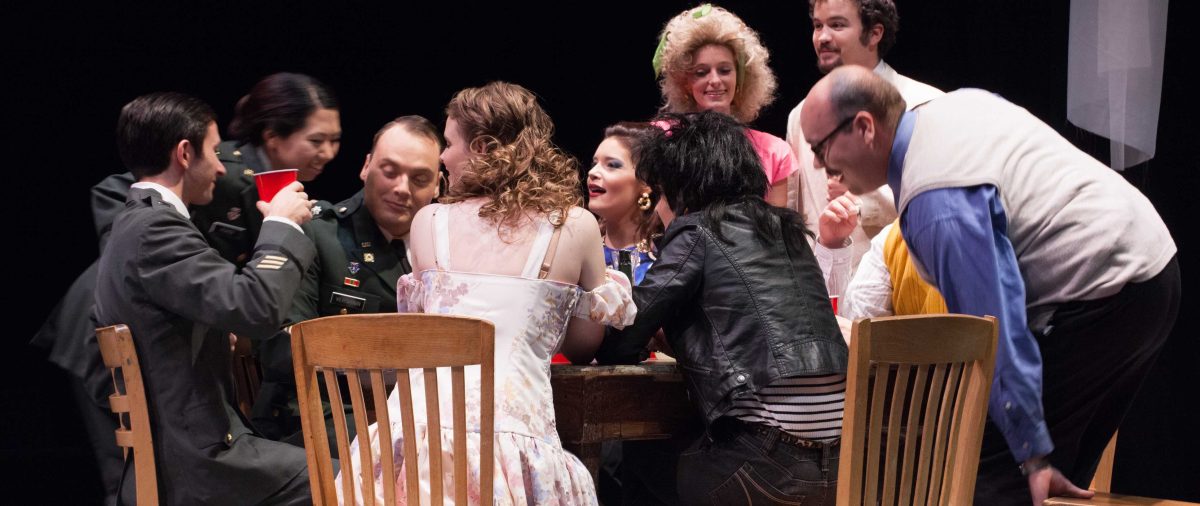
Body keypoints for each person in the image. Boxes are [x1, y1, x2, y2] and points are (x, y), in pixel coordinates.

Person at [800, 66, 1179, 506]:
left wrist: (1030, 455)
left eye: (820, 147)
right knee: (1053, 481)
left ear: (864, 127)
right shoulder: (951, 109)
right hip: (1151, 270)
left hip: (1107, 289)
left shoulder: (935, 198)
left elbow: (994, 326)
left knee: (982, 474)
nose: (818, 164)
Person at [342, 81, 636, 505]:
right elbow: (581, 347)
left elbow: (424, 337)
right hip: (514, 452)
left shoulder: (430, 222)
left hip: (413, 446)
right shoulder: (574, 225)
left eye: (448, 143)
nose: (443, 156)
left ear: (480, 147)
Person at [596, 111, 846, 505]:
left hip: (771, 464)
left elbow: (622, 342)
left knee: (648, 459)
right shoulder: (788, 230)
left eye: (660, 194)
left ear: (680, 189)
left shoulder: (697, 230)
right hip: (841, 464)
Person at [93, 92, 318, 505]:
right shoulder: (154, 229)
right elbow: (256, 309)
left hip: (188, 450)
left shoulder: (134, 222)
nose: (220, 166)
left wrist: (212, 333)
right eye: (213, 152)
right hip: (200, 464)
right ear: (184, 153)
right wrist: (283, 223)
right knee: (357, 475)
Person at [253, 115, 443, 443]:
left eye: (419, 177)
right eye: (390, 170)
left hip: (415, 415)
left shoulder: (445, 248)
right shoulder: (316, 233)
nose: (401, 187)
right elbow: (280, 349)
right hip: (322, 415)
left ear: (438, 184)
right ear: (366, 166)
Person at [786, 0, 943, 282]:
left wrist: (862, 201)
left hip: (904, 293)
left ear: (874, 34)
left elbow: (943, 208)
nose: (822, 37)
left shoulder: (922, 105)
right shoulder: (801, 115)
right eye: (817, 25)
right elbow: (797, 215)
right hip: (826, 296)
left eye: (837, 25)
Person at [653, 4, 796, 207]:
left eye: (724, 70)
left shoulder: (774, 151)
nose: (715, 80)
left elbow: (776, 233)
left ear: (741, 77)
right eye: (701, 72)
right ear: (685, 82)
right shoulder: (664, 137)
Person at [193, 72, 341, 266]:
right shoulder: (225, 178)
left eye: (335, 140)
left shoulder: (285, 177)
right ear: (272, 136)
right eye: (316, 141)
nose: (328, 153)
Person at [587, 122, 663, 284]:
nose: (592, 172)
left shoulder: (667, 257)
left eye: (612, 165)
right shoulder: (580, 252)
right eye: (595, 163)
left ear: (645, 182)